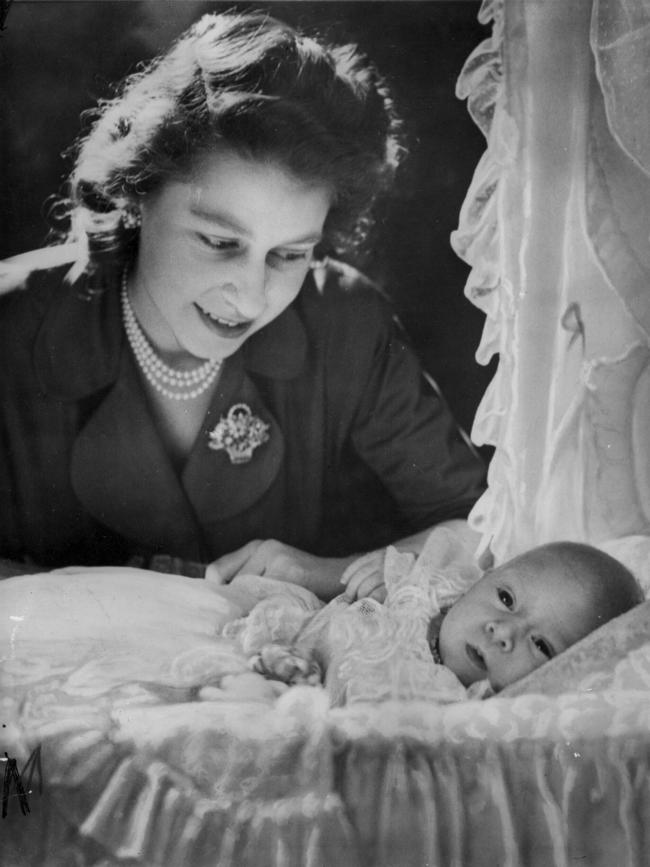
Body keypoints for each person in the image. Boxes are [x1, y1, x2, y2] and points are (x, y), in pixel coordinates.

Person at [0, 10, 486, 599]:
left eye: (289, 255)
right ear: (139, 191)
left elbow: (485, 529)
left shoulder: (346, 323)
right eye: (220, 242)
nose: (252, 296)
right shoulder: (13, 324)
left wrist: (327, 575)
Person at [251, 540, 643, 695]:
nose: (503, 631)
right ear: (482, 578)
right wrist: (373, 596)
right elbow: (353, 614)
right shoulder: (422, 598)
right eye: (505, 597)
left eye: (540, 645)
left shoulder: (469, 705)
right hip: (305, 665)